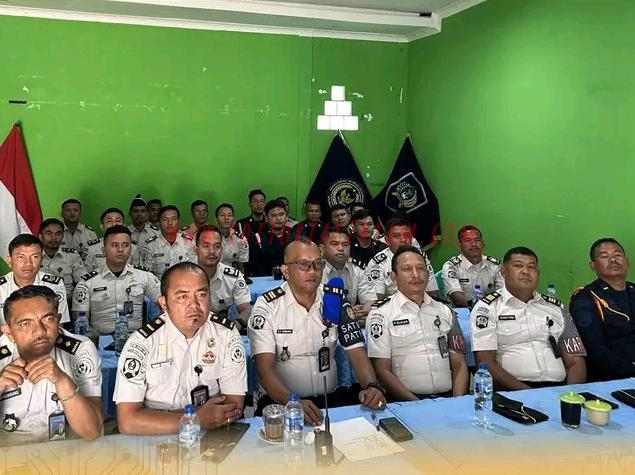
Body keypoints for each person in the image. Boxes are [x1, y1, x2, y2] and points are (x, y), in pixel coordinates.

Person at [248, 237, 386, 424]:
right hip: (281, 402)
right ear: (286, 271)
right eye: (303, 265)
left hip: (331, 400)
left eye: (318, 264)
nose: (312, 271)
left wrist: (372, 386)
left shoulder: (335, 299)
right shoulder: (267, 306)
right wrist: (293, 403)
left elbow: (356, 352)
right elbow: (264, 370)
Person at [114, 262, 246, 435]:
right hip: (156, 442)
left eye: (201, 294)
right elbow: (128, 421)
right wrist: (196, 419)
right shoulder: (142, 343)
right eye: (182, 297)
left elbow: (234, 407)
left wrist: (158, 417)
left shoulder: (226, 334)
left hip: (212, 439)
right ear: (164, 303)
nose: (194, 305)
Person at [471, 246, 587, 390]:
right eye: (518, 266)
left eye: (531, 267)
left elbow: (576, 362)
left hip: (559, 390)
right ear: (503, 272)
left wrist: (571, 394)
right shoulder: (488, 308)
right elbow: (485, 362)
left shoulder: (556, 308)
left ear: (538, 273)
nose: (525, 271)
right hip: (511, 392)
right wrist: (529, 394)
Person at [0, 285, 102, 441]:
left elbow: (91, 432)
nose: (40, 331)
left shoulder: (80, 349)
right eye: (25, 323)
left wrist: (62, 380)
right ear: (9, 332)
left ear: (58, 321)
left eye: (48, 319)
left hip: (62, 451)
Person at [368, 247, 468, 400]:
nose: (416, 274)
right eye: (407, 269)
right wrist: (417, 405)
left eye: (421, 268)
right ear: (394, 277)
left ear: (428, 274)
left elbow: (459, 364)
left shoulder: (445, 310)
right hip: (405, 402)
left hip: (448, 400)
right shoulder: (381, 313)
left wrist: (457, 401)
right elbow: (382, 371)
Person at [72, 226, 161, 336]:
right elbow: (80, 324)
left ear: (131, 250)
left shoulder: (144, 276)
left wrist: (152, 334)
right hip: (100, 340)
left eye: (125, 245)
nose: (120, 249)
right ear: (103, 251)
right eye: (115, 245)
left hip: (137, 338)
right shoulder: (87, 283)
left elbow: (166, 305)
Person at [570, 238, 635, 381]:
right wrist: (630, 369)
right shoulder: (586, 297)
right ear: (593, 265)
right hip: (612, 378)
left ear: (627, 262)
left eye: (617, 255)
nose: (613, 260)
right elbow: (594, 347)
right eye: (605, 256)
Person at [358, 217, 438, 305]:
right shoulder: (378, 262)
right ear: (387, 240)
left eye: (407, 235)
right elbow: (379, 301)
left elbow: (433, 293)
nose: (403, 240)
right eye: (397, 236)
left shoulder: (421, 258)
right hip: (390, 309)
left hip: (419, 306)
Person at [0, 235, 70, 325]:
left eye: (35, 257)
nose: (28, 263)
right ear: (9, 261)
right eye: (21, 257)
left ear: (41, 260)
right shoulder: (1, 287)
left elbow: (58, 325)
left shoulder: (54, 285)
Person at [194, 226, 252, 331]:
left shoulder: (233, 276)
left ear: (222, 249)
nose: (212, 251)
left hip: (224, 330)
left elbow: (247, 309)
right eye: (206, 246)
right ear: (195, 250)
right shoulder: (182, 276)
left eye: (217, 246)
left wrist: (235, 325)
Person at [441, 225, 504, 307]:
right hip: (461, 311)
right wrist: (479, 308)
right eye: (468, 240)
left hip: (490, 310)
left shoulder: (494, 265)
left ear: (482, 243)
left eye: (477, 240)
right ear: (459, 244)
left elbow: (503, 292)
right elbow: (457, 300)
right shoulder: (451, 267)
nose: (474, 244)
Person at [319, 228, 366, 320]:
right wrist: (346, 313)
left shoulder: (358, 270)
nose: (340, 248)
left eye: (345, 244)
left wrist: (360, 312)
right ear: (322, 248)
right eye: (334, 244)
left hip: (351, 324)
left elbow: (368, 301)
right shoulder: (314, 269)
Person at [140, 205, 195, 278]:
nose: (170, 223)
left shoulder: (188, 242)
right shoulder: (150, 246)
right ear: (159, 223)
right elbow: (146, 275)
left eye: (174, 219)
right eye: (165, 219)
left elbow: (194, 270)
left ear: (179, 222)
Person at [38, 218, 87, 298]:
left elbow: (83, 282)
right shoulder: (33, 256)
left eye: (58, 234)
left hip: (67, 300)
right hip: (39, 301)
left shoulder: (72, 256)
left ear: (62, 237)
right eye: (48, 233)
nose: (54, 238)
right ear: (40, 236)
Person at [247, 199, 292, 277]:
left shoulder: (294, 234)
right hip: (263, 279)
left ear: (287, 216)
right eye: (274, 215)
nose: (279, 218)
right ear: (266, 218)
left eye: (281, 214)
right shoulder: (257, 237)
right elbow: (253, 266)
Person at [215, 203, 249, 273]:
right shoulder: (210, 238)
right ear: (216, 220)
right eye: (222, 215)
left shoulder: (241, 239)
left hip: (232, 275)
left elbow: (241, 266)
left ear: (233, 220)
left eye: (229, 215)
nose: (226, 218)